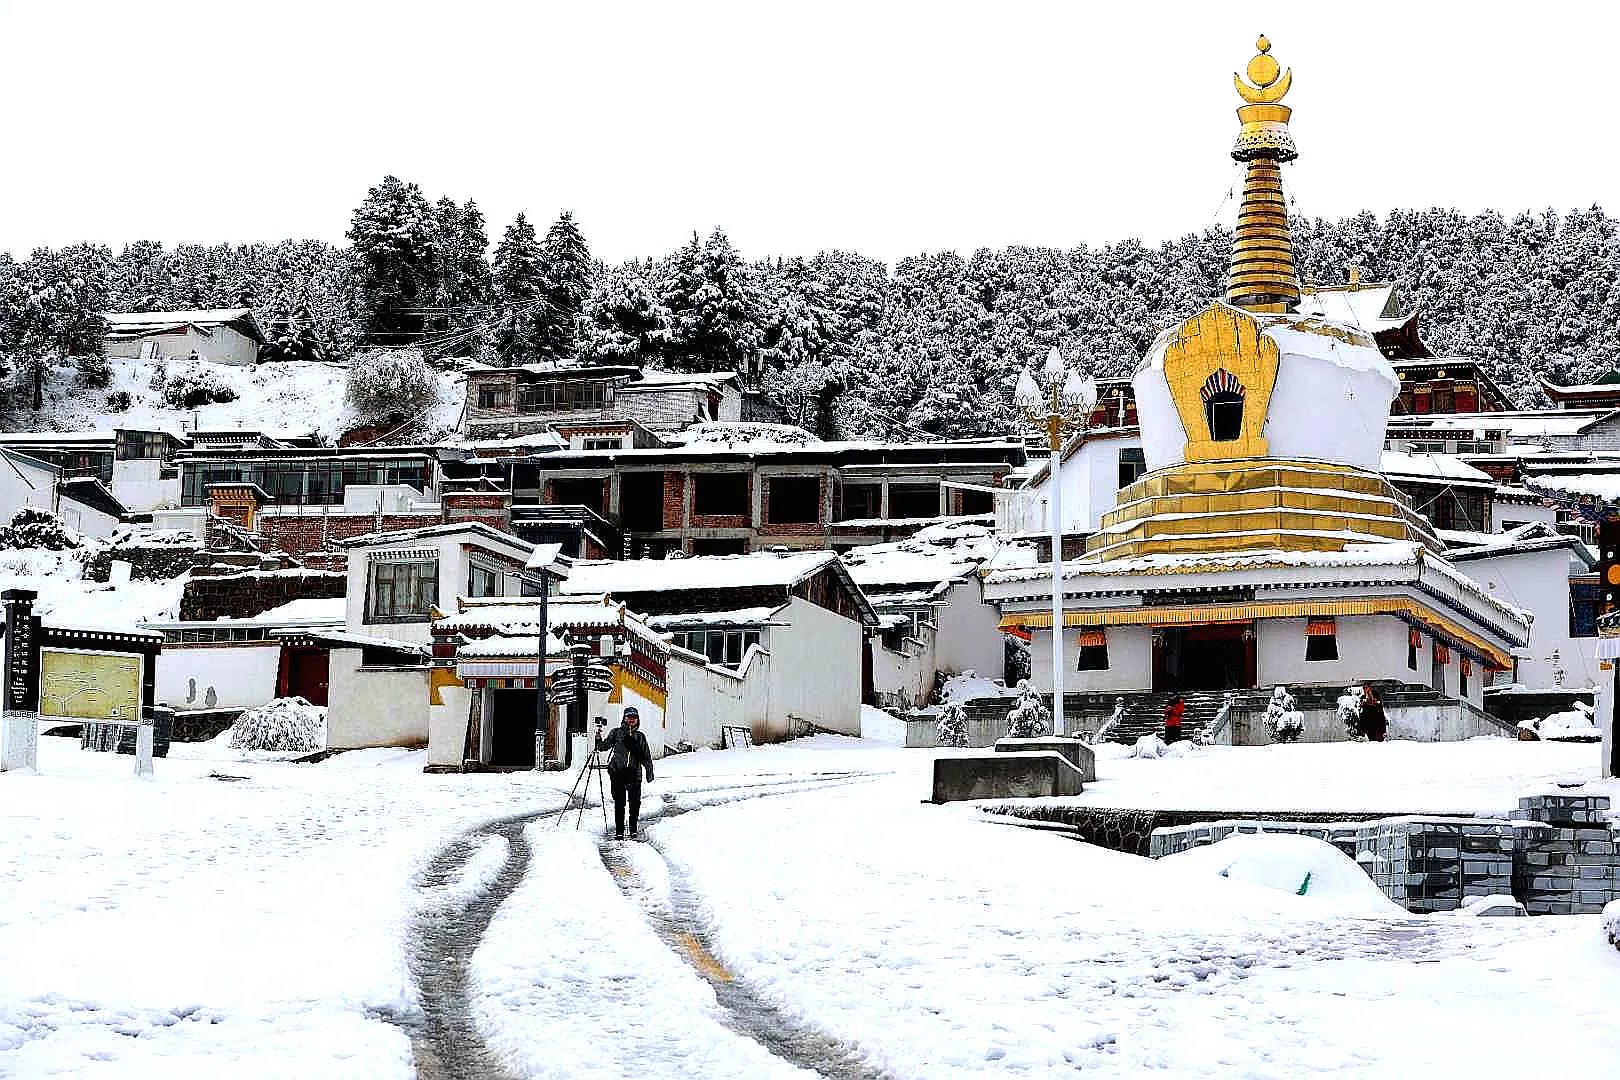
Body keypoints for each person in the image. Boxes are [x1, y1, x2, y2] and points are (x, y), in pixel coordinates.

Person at [595, 706, 655, 840]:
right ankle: (619, 832)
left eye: (634, 717)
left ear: (637, 719)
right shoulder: (616, 733)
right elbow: (604, 747)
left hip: (634, 775)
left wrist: (649, 772)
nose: (631, 719)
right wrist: (598, 739)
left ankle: (633, 830)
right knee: (619, 803)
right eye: (629, 717)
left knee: (634, 804)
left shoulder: (640, 736)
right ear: (624, 718)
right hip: (618, 774)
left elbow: (646, 755)